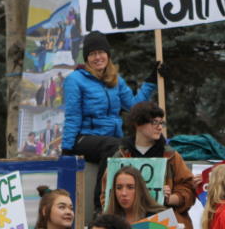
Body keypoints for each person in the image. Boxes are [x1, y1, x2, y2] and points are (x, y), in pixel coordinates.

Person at [61, 30, 159, 208]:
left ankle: (141, 207)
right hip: (83, 137)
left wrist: (151, 81)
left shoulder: (115, 80)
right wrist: (67, 148)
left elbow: (134, 106)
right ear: (86, 58)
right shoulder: (75, 80)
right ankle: (100, 206)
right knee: (114, 146)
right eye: (92, 54)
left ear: (108, 55)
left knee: (134, 146)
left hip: (111, 138)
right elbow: (73, 115)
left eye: (101, 53)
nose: (97, 57)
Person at [106, 102, 197, 229]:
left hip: (163, 228)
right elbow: (106, 193)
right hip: (128, 227)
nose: (159, 127)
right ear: (138, 123)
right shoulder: (120, 156)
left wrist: (170, 198)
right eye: (154, 122)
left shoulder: (171, 156)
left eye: (161, 123)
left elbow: (188, 189)